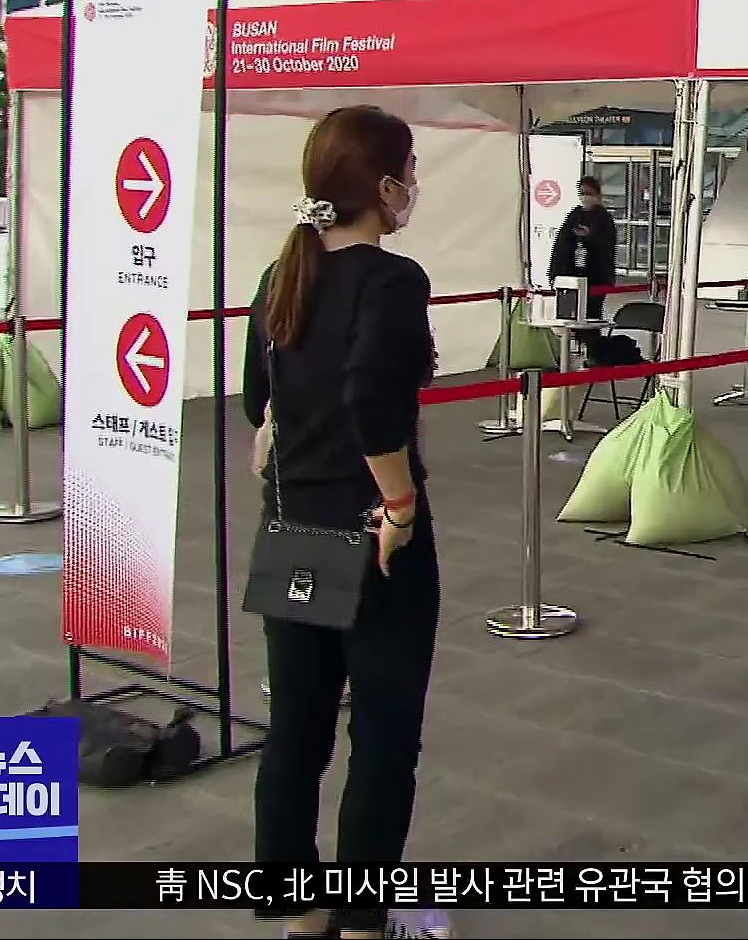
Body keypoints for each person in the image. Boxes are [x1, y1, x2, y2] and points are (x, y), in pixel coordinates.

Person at [243, 105, 446, 940]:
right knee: (384, 738)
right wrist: (399, 503)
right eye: (410, 170)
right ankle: (363, 922)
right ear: (386, 186)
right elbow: (370, 404)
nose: (415, 186)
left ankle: (299, 912)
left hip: (292, 529)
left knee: (296, 732)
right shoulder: (391, 280)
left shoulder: (282, 274)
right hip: (374, 540)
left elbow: (258, 402)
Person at [548, 175, 617, 324]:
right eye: (582, 193)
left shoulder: (603, 218)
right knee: (568, 317)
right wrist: (555, 273)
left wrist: (590, 237)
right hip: (570, 276)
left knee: (591, 318)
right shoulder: (575, 215)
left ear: (598, 195)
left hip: (595, 277)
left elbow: (607, 248)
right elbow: (561, 245)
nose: (585, 197)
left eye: (589, 193)